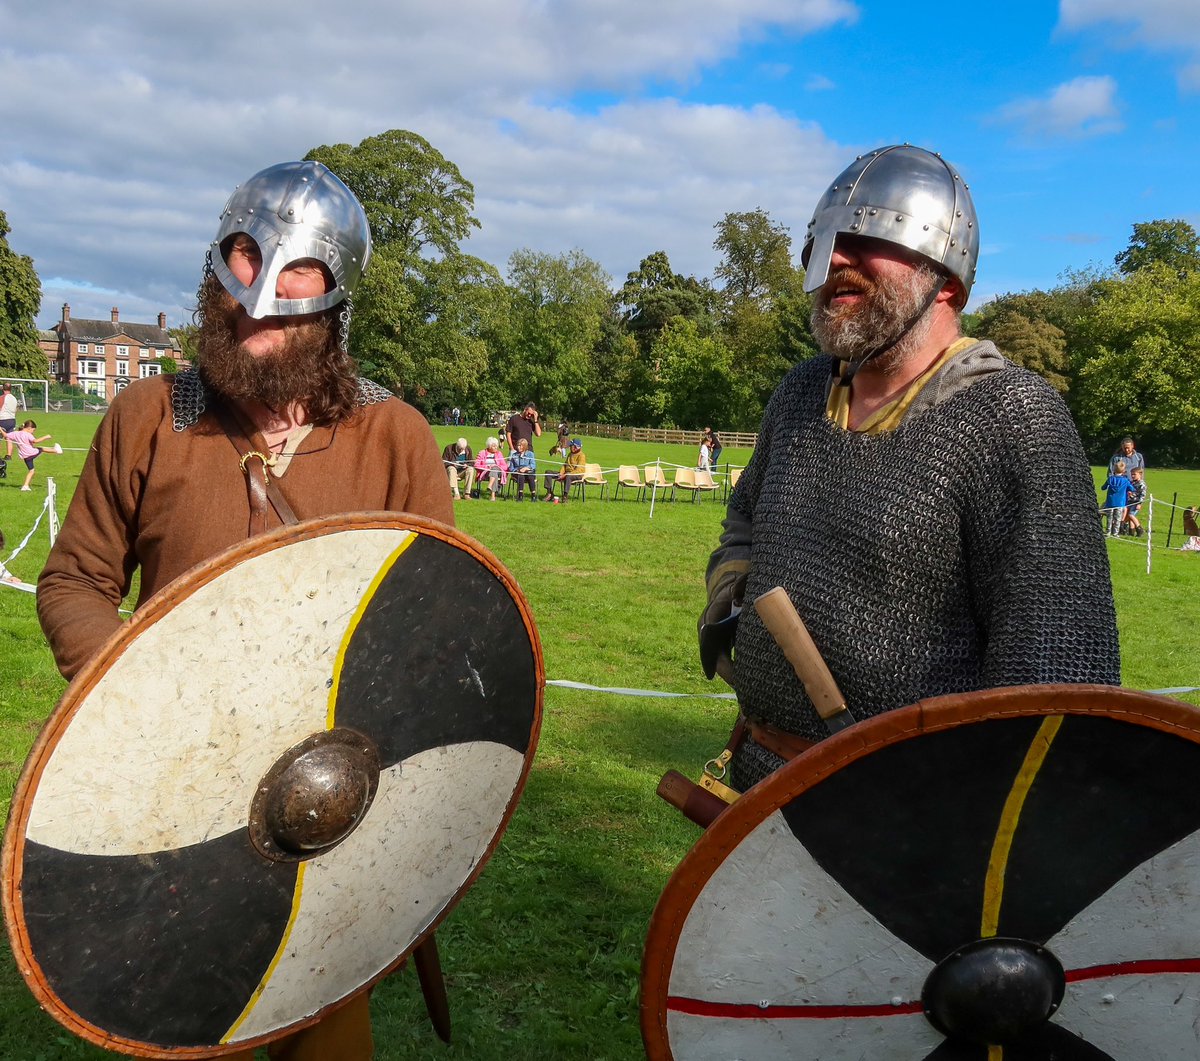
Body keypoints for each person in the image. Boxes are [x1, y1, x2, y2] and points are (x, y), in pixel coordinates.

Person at [37, 160, 452, 1060]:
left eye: (295, 277)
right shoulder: (151, 415)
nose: (261, 300)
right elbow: (74, 580)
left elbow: (436, 630)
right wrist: (134, 693)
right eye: (243, 262)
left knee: (321, 1031)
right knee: (186, 1014)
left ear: (335, 299)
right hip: (174, 786)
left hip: (329, 802)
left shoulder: (394, 436)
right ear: (214, 272)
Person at [700, 144, 1119, 793]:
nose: (836, 258)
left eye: (866, 239)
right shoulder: (801, 394)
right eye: (827, 241)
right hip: (762, 780)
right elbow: (749, 512)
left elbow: (1054, 674)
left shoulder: (1010, 418)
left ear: (947, 279)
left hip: (911, 817)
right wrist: (733, 590)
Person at [5, 419, 62, 491]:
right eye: (33, 430)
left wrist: (0, 429)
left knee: (31, 470)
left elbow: (6, 435)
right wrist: (46, 437)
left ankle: (25, 486)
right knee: (42, 449)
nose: (33, 432)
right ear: (29, 428)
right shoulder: (28, 434)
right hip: (31, 453)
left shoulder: (16, 433)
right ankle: (56, 450)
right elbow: (35, 441)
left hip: (25, 456)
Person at [543, 438, 585, 502]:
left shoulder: (581, 456)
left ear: (576, 447)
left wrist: (565, 474)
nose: (570, 447)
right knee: (548, 472)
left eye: (571, 446)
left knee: (568, 476)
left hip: (576, 475)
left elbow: (579, 470)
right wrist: (561, 473)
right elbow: (565, 465)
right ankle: (549, 493)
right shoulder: (570, 454)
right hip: (566, 473)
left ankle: (565, 496)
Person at [1100, 460, 1132, 537]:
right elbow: (1132, 488)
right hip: (1120, 503)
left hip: (1110, 502)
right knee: (1118, 518)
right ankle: (1115, 533)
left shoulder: (1110, 479)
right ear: (1124, 471)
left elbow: (1103, 488)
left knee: (1109, 518)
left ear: (1114, 470)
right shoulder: (1125, 480)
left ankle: (1108, 531)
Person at [473, 436, 509, 500]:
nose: (496, 447)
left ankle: (490, 486)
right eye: (494, 446)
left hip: (499, 472)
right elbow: (476, 465)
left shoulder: (499, 453)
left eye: (496, 446)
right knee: (494, 472)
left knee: (494, 469)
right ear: (489, 446)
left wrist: (496, 466)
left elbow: (505, 466)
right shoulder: (482, 453)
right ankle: (493, 495)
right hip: (486, 473)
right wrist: (487, 467)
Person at [1123, 467, 1146, 537]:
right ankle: (1131, 531)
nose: (1132, 476)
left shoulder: (1141, 484)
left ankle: (1139, 528)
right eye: (1132, 474)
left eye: (1134, 474)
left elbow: (1142, 494)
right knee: (1130, 518)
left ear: (1140, 474)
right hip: (1130, 502)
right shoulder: (1132, 482)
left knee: (1131, 515)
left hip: (1136, 502)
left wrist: (1139, 503)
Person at [1, 383, 18, 459]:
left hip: (2, 419)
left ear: (2, 389)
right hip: (12, 420)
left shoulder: (2, 397)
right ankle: (9, 455)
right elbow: (15, 410)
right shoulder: (14, 398)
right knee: (9, 438)